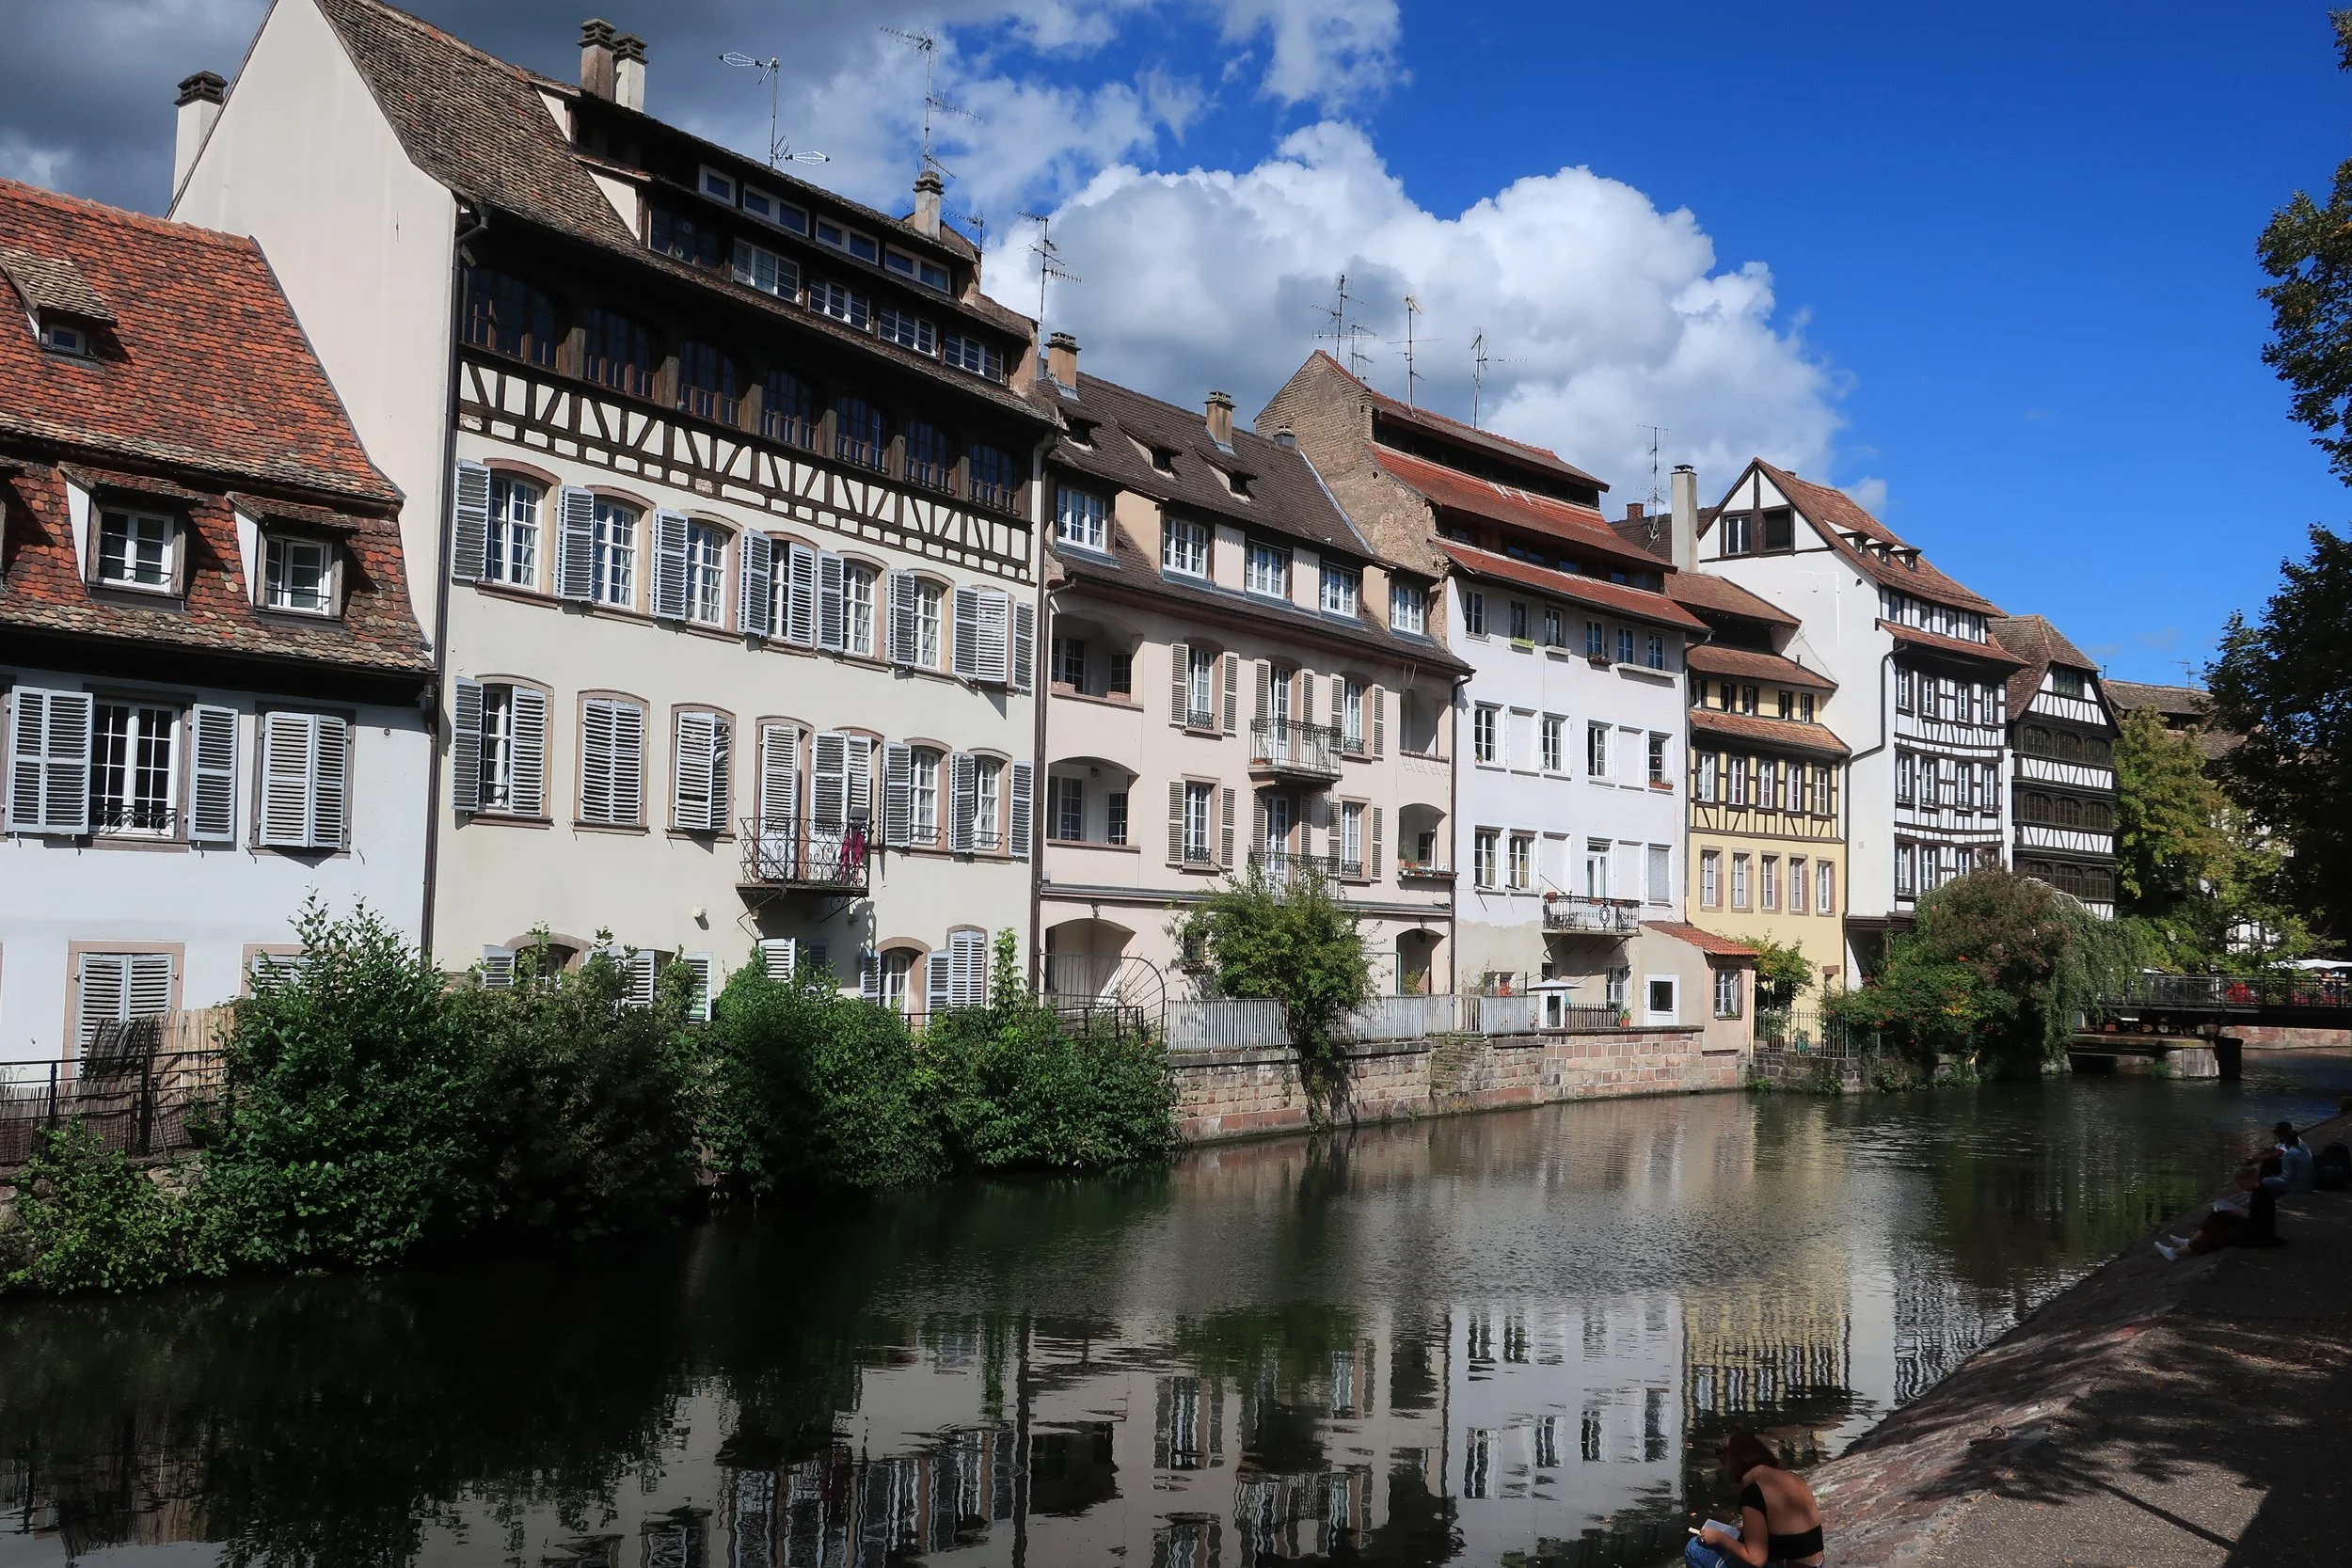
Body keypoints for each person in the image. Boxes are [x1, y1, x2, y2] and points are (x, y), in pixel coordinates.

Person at [1687, 1430, 1824, 1568]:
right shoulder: (1793, 1478)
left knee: (1694, 1548)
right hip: (1816, 1564)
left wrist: (1719, 1537)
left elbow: (1756, 1559)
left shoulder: (1753, 1494)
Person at [2273, 1122, 2316, 1195]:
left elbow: (2275, 1154)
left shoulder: (2293, 1148)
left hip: (2299, 1181)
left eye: (2279, 1133)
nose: (2277, 1135)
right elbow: (2273, 1150)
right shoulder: (2287, 1142)